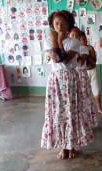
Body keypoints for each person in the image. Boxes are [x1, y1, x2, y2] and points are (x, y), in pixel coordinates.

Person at [41, 10, 94, 160]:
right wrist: (55, 41)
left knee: (71, 112)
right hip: (55, 81)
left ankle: (72, 146)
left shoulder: (74, 42)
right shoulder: (47, 40)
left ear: (69, 24)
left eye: (63, 23)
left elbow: (63, 60)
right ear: (52, 24)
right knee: (58, 113)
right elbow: (55, 57)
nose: (59, 25)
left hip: (70, 80)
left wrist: (58, 41)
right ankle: (62, 146)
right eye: (56, 23)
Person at [69, 27, 99, 128]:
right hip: (73, 75)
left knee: (85, 98)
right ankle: (77, 122)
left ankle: (88, 122)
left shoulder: (84, 48)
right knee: (75, 99)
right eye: (72, 35)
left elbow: (81, 62)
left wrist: (75, 54)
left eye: (77, 36)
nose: (74, 38)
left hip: (82, 74)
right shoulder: (68, 46)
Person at [80, 32, 102, 115]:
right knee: (84, 92)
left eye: (85, 39)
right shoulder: (77, 49)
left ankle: (99, 109)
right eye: (82, 39)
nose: (84, 40)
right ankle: (85, 110)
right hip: (84, 72)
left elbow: (94, 62)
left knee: (96, 90)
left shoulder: (90, 48)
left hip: (93, 70)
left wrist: (87, 56)